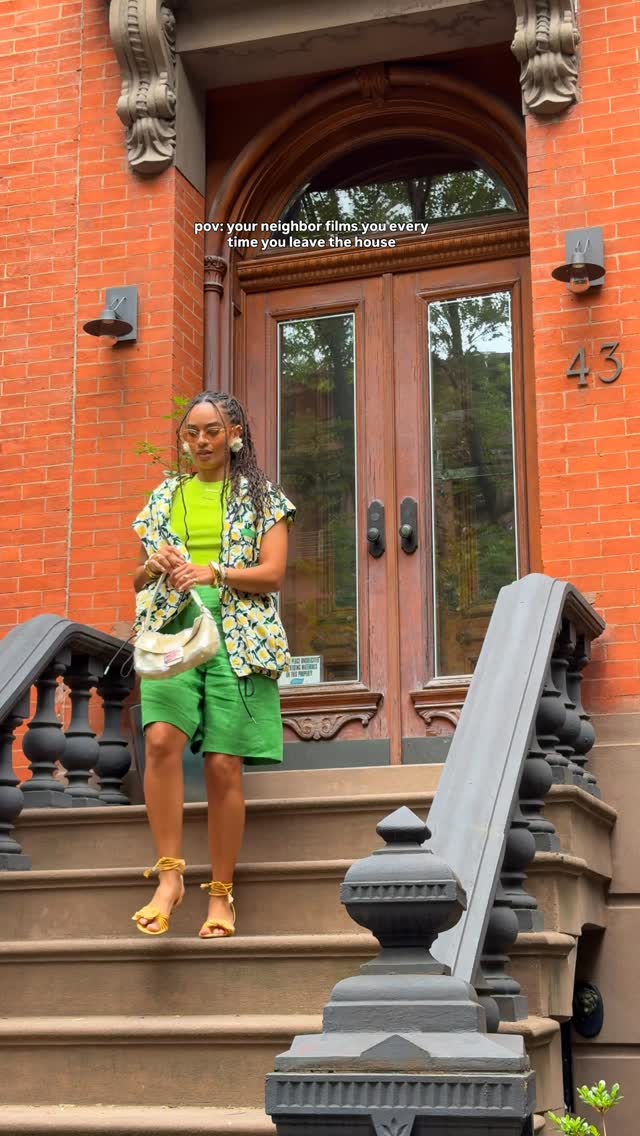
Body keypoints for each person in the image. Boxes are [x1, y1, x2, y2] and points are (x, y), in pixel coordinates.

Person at [130, 391, 295, 939]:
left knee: (224, 765)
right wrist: (153, 565)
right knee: (159, 739)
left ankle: (221, 894)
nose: (201, 441)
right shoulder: (165, 496)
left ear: (235, 435)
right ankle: (169, 878)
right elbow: (135, 579)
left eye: (213, 431)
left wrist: (214, 572)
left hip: (239, 635)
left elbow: (273, 574)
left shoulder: (263, 498)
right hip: (172, 629)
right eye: (192, 432)